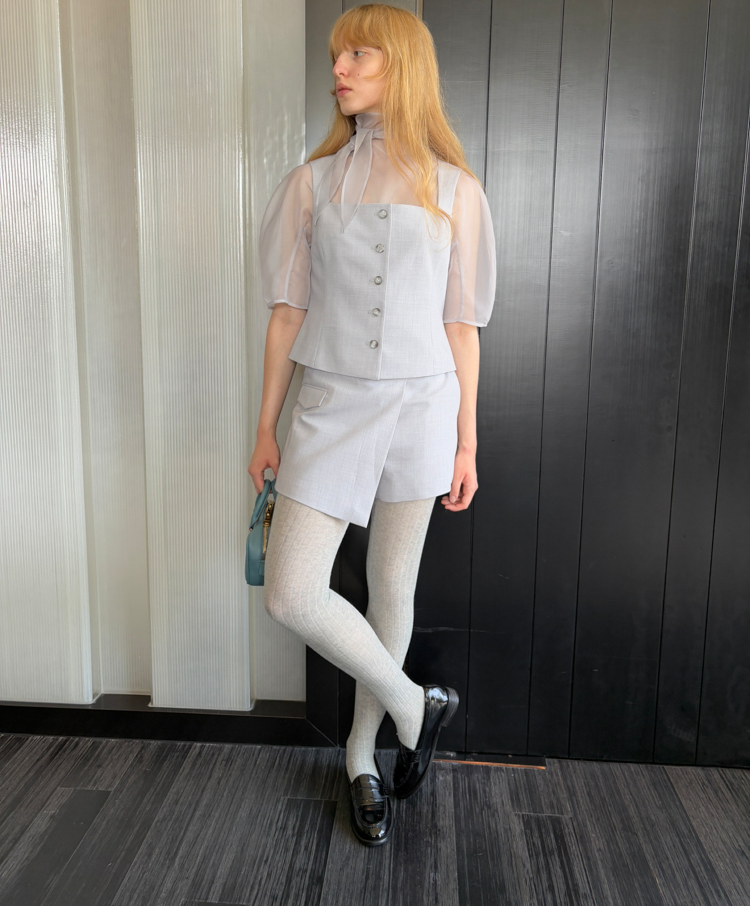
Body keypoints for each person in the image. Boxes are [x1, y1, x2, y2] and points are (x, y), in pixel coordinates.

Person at [248, 3, 496, 847]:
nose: (340, 68)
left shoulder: (457, 190)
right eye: (337, 55)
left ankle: (362, 756)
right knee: (292, 592)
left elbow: (462, 326)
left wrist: (467, 440)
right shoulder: (312, 184)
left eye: (359, 53)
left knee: (393, 587)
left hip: (424, 408)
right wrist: (265, 427)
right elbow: (287, 315)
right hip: (329, 406)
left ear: (404, 65)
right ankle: (414, 705)